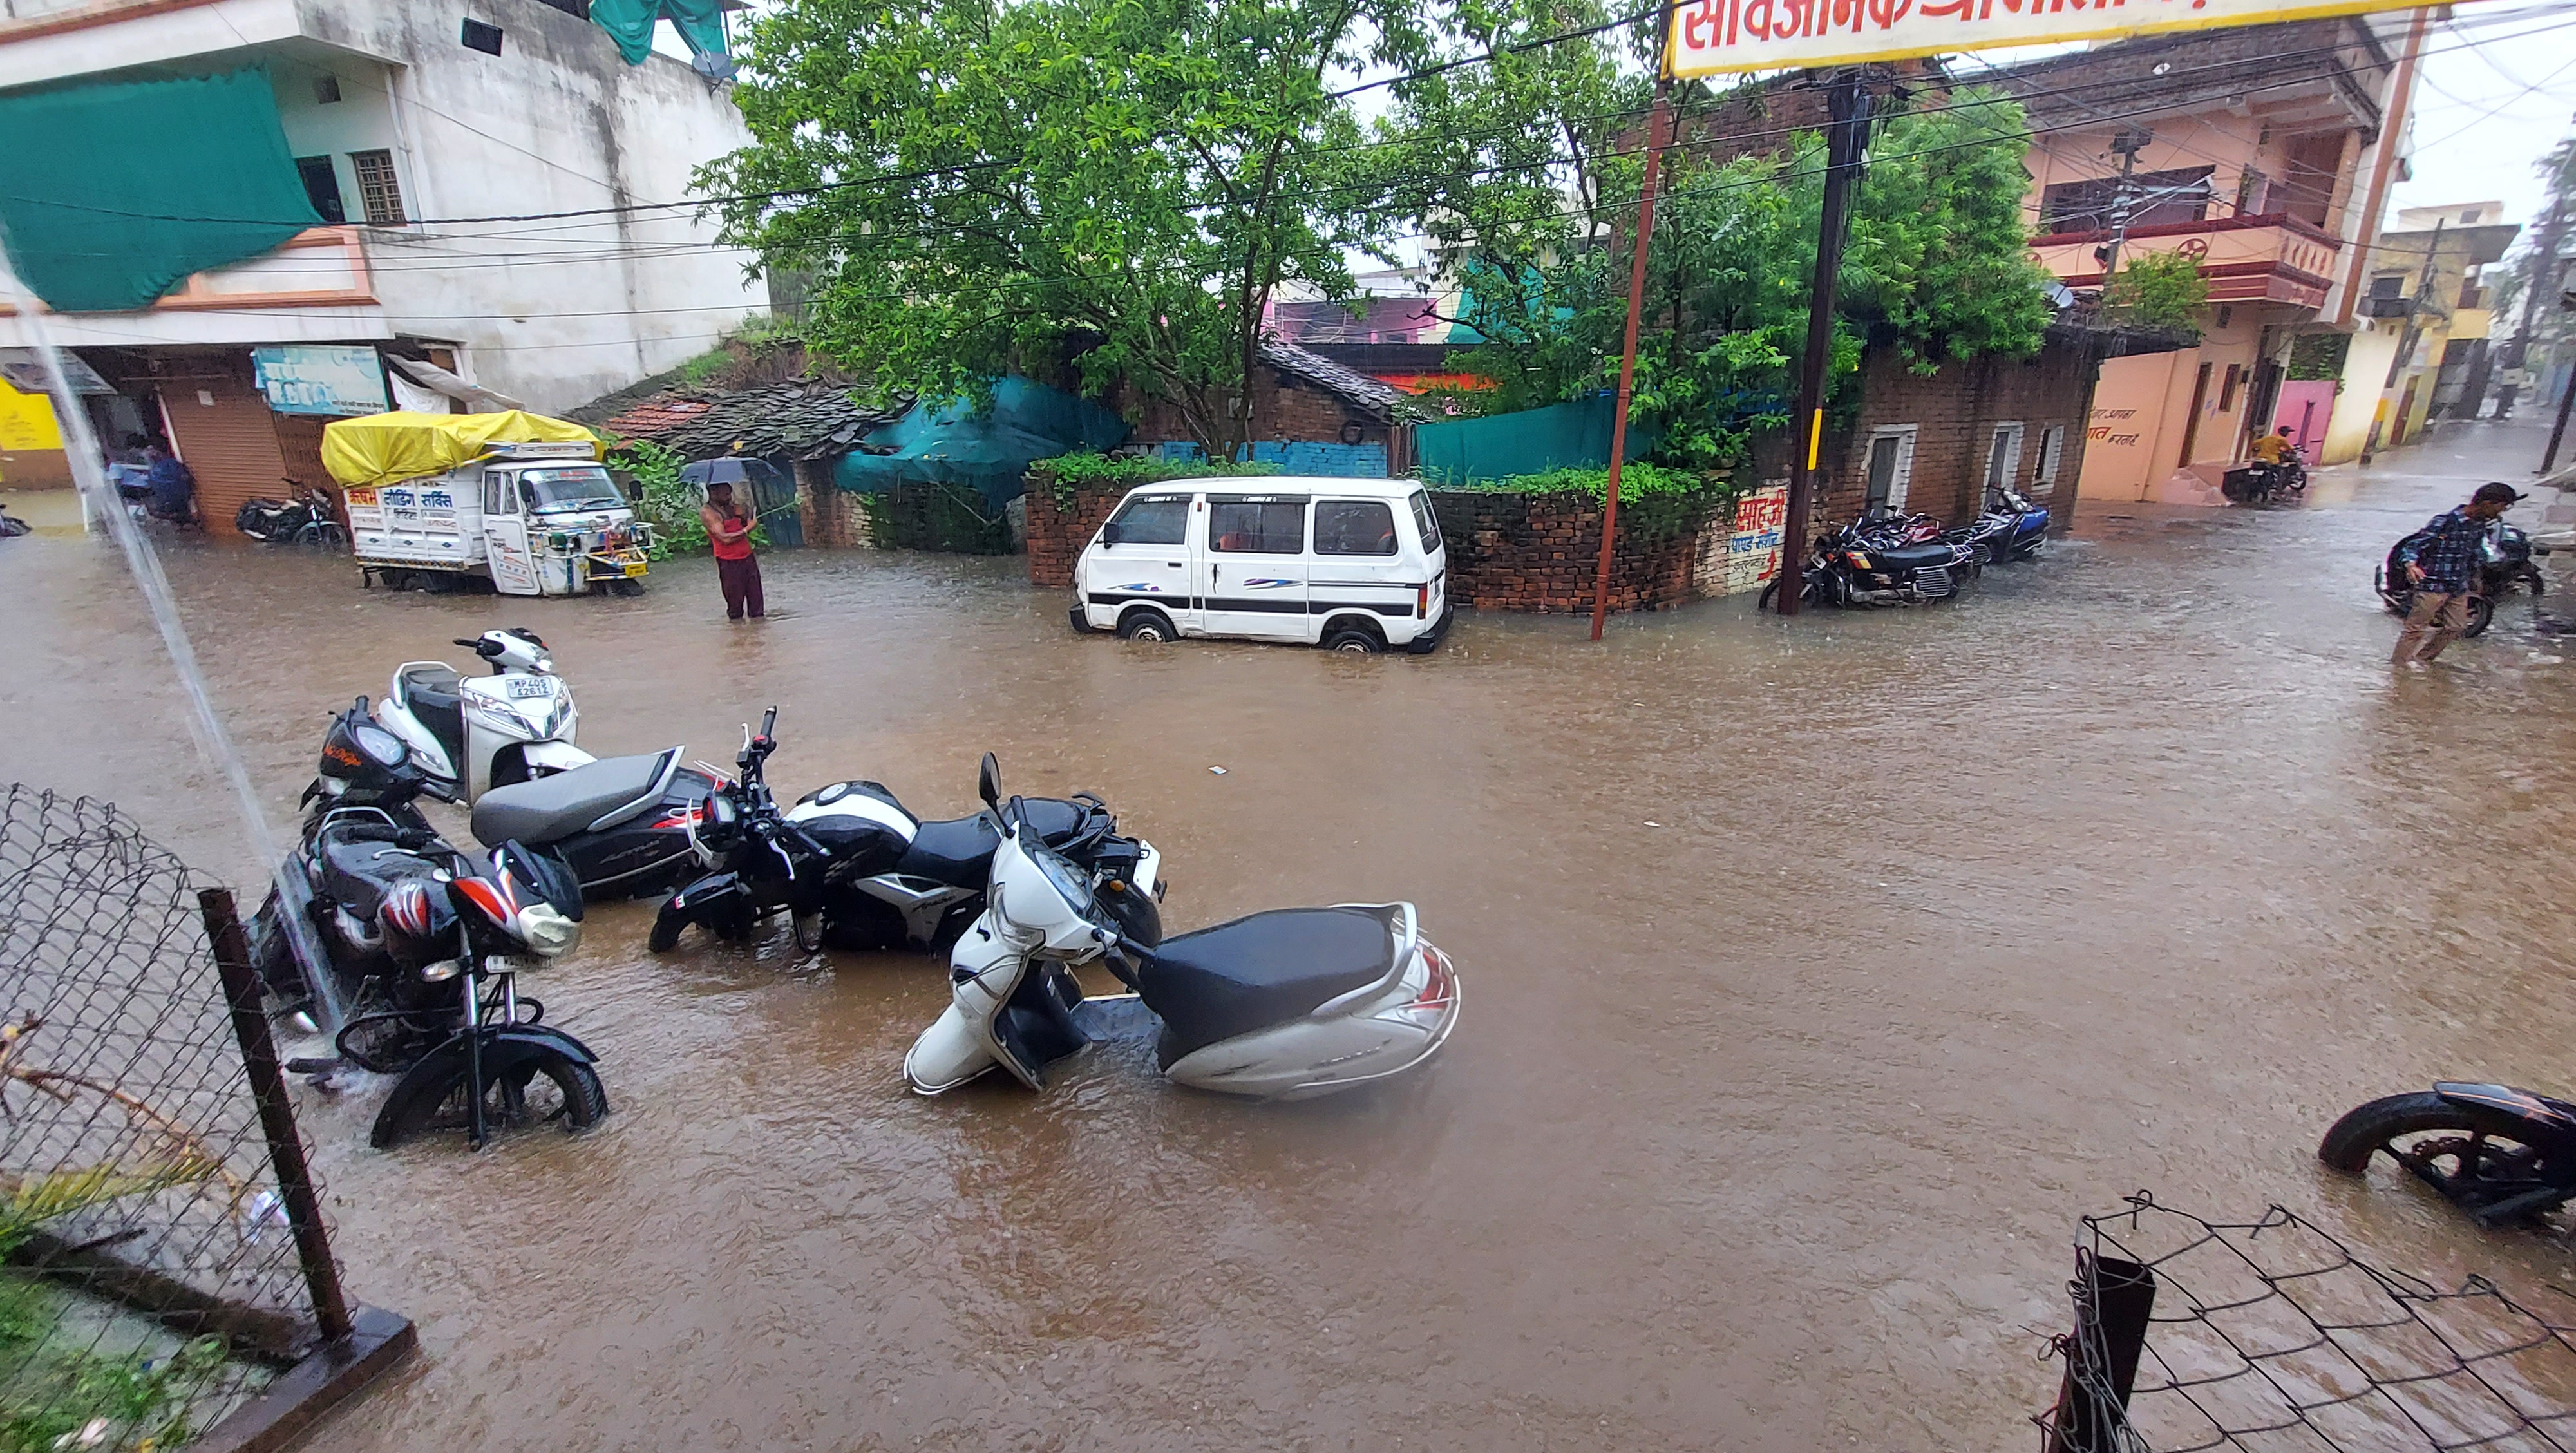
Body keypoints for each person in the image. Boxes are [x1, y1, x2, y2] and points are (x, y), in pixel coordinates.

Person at [2391, 481, 2521, 667]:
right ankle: (2398, 667)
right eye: (2501, 507)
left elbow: (2475, 552)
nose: (2501, 512)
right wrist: (2411, 564)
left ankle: (2422, 659)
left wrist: (2477, 577)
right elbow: (2414, 544)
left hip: (2458, 584)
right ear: (2487, 503)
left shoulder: (2478, 525)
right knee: (2415, 629)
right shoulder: (2445, 522)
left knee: (2456, 626)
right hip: (2433, 584)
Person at [699, 480, 763, 620]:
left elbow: (746, 523)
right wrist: (748, 529)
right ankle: (737, 638)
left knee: (757, 604)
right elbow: (725, 539)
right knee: (735, 608)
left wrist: (742, 516)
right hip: (729, 562)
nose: (729, 497)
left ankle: (758, 635)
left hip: (748, 557)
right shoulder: (708, 513)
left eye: (730, 494)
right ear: (713, 493)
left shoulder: (733, 508)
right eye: (726, 494)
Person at [140, 443, 196, 526]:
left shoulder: (154, 473)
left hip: (177, 497)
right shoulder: (168, 464)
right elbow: (184, 476)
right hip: (182, 493)